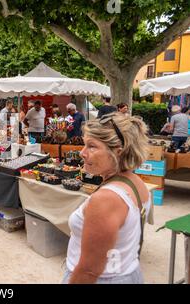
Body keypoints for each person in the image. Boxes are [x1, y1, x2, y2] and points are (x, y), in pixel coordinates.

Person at [63, 113, 152, 284]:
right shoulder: (136, 182)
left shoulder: (106, 199)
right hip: (129, 273)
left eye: (92, 146)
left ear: (118, 152)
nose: (82, 153)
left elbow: (89, 271)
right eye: (84, 145)